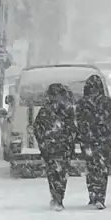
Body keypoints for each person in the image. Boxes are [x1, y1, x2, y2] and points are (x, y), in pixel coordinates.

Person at [75, 74, 111, 210]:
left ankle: (93, 195)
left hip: (88, 142)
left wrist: (77, 138)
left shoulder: (81, 104)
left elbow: (77, 123)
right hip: (105, 141)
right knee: (102, 170)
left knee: (91, 168)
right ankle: (100, 196)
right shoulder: (107, 103)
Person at [33, 83, 78, 211]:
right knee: (62, 173)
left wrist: (43, 141)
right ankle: (59, 197)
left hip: (50, 148)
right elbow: (73, 128)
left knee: (52, 173)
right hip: (63, 148)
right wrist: (69, 141)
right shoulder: (67, 110)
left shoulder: (45, 110)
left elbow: (37, 128)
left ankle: (56, 197)